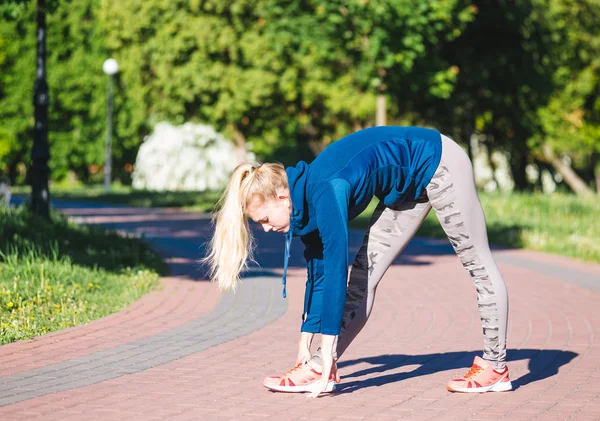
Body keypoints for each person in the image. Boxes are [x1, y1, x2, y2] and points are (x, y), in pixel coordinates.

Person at [203, 126, 511, 398]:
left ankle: (495, 367)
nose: (267, 228)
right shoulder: (302, 208)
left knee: (478, 264)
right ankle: (318, 367)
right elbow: (319, 274)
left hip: (438, 161)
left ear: (283, 199)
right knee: (363, 278)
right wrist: (305, 342)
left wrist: (327, 343)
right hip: (404, 190)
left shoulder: (324, 189)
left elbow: (337, 268)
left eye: (265, 220)